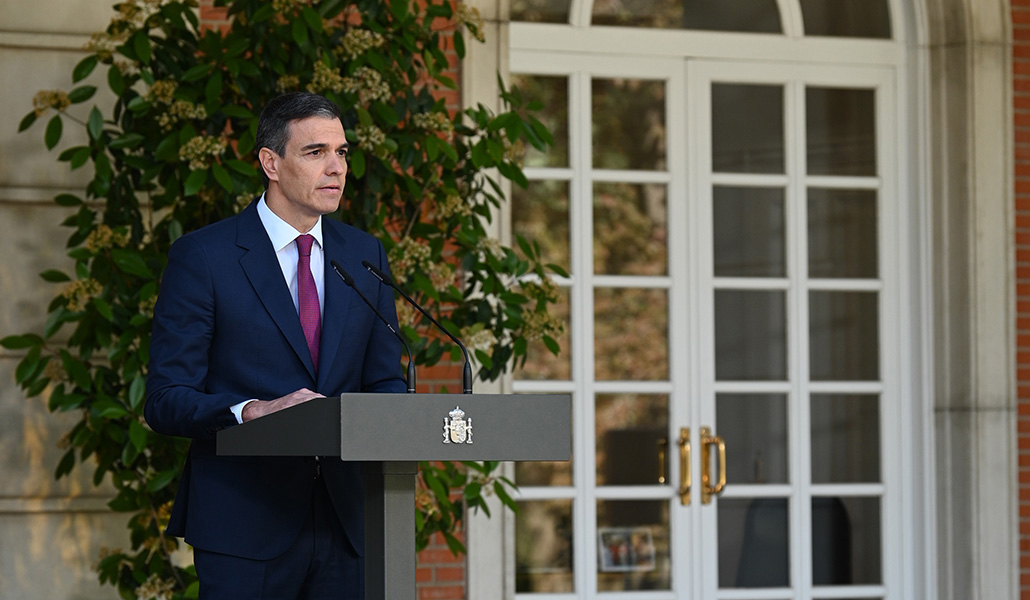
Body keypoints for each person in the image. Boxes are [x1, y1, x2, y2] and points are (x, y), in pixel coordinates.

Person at [145, 92, 407, 599]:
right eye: (316, 153)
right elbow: (165, 399)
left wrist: (393, 421)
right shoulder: (204, 256)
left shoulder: (364, 255)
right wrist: (253, 410)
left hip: (348, 523)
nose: (336, 167)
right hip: (245, 524)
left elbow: (384, 381)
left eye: (343, 152)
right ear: (270, 162)